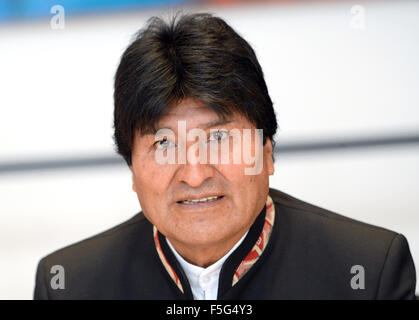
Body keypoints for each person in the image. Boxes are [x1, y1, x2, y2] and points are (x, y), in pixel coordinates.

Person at [34, 13, 416, 300]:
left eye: (219, 137)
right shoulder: (69, 284)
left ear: (267, 152)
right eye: (164, 144)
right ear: (131, 169)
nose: (196, 175)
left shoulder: (368, 271)